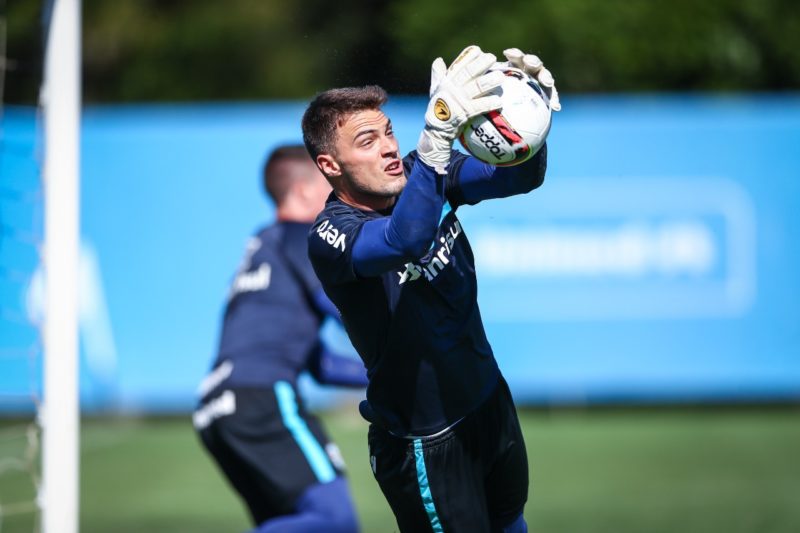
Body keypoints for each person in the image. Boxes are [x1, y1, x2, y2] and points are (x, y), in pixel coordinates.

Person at [302, 46, 561, 532]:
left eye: (388, 133)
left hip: (488, 402)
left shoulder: (427, 173)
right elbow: (406, 238)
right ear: (330, 165)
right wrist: (438, 138)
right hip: (425, 441)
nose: (385, 147)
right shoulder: (330, 236)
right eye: (365, 141)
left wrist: (530, 116)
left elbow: (524, 175)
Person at [193, 145, 368, 533]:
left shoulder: (265, 248)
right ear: (305, 191)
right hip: (261, 400)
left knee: (291, 523)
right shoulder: (303, 238)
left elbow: (319, 365)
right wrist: (415, 352)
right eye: (330, 186)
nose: (338, 197)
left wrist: (384, 376)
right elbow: (346, 310)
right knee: (334, 520)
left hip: (217, 409)